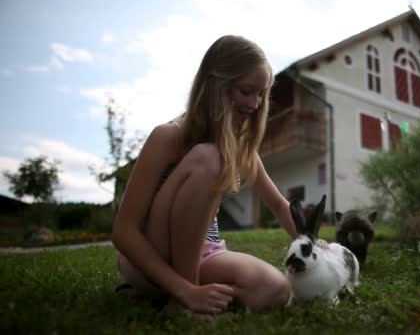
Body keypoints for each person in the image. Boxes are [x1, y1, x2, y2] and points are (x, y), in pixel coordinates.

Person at [111, 35, 297, 317]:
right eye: (246, 90)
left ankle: (173, 295)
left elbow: (280, 206)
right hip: (153, 252)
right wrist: (186, 290)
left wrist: (318, 243)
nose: (255, 103)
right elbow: (124, 232)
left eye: (261, 94)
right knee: (211, 156)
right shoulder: (168, 136)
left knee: (275, 290)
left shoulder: (239, 146)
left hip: (203, 253)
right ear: (215, 84)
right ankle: (183, 297)